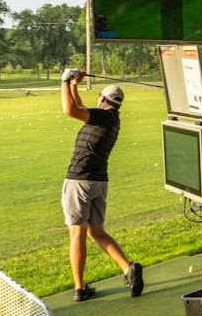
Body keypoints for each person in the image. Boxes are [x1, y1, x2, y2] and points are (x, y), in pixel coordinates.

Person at [59, 69, 143, 302]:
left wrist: (65, 81)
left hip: (80, 180)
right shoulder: (110, 118)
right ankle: (128, 269)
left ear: (103, 100)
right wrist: (74, 85)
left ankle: (80, 288)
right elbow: (79, 109)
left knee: (77, 234)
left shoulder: (103, 117)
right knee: (97, 231)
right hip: (98, 182)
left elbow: (70, 110)